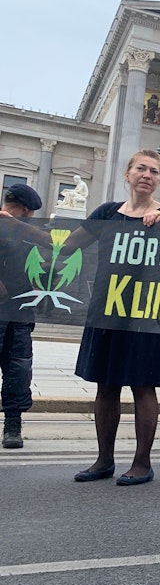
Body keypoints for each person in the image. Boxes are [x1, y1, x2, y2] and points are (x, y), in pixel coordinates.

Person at [66, 149, 160, 485]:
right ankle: (103, 459)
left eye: (154, 171)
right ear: (127, 174)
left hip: (147, 313)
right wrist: (16, 227)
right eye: (141, 168)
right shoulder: (107, 213)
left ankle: (142, 463)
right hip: (107, 309)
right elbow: (65, 246)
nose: (147, 175)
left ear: (159, 180)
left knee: (142, 384)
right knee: (105, 385)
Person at [0, 184, 44, 449]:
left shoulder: (26, 232)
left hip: (18, 312)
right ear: (26, 209)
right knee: (17, 368)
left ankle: (13, 424)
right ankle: (12, 426)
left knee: (18, 371)